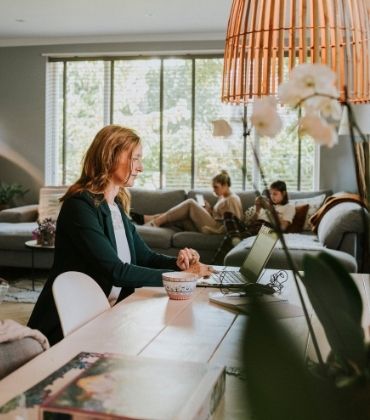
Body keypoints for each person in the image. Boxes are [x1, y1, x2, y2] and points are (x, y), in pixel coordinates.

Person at [28, 125, 212, 346]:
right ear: (110, 156)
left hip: (107, 315)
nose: (140, 168)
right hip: (70, 324)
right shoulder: (79, 206)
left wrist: (180, 265)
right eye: (135, 159)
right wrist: (184, 278)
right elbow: (116, 271)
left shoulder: (115, 207)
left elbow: (146, 257)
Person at [141, 170, 243, 234]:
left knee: (190, 202)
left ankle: (154, 221)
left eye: (216, 187)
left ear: (225, 185)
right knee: (180, 217)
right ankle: (149, 221)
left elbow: (234, 223)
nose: (214, 190)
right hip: (212, 223)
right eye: (213, 187)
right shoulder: (222, 197)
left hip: (215, 229)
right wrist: (209, 210)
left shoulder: (232, 199)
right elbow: (219, 215)